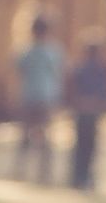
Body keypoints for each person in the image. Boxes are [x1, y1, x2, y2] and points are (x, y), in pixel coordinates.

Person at [13, 16, 66, 182]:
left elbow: (18, 70)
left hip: (30, 96)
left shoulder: (26, 51)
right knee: (44, 136)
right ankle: (44, 173)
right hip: (46, 97)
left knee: (27, 135)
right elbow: (60, 73)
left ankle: (22, 170)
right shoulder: (54, 51)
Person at [66, 34, 106, 191]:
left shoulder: (80, 68)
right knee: (90, 146)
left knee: (81, 145)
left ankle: (78, 177)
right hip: (92, 111)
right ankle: (85, 178)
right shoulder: (102, 70)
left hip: (83, 110)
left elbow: (72, 88)